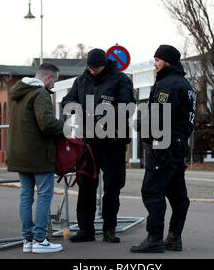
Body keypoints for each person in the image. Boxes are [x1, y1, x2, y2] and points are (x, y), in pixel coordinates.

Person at [61, 48, 135, 243]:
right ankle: (86, 230)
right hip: (88, 143)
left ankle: (110, 229)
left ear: (105, 64)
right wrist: (77, 108)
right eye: (91, 68)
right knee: (86, 187)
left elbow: (129, 106)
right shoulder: (81, 80)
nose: (93, 71)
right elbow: (67, 100)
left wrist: (106, 114)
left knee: (112, 187)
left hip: (113, 142)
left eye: (97, 68)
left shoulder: (121, 79)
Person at [131, 45, 196, 253]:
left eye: (157, 59)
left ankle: (154, 239)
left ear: (166, 61)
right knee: (178, 195)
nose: (154, 63)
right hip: (179, 145)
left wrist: (140, 126)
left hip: (163, 146)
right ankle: (174, 237)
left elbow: (159, 118)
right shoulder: (185, 84)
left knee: (152, 191)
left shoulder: (168, 85)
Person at [7, 63, 64, 254]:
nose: (54, 85)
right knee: (44, 195)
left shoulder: (17, 93)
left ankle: (27, 239)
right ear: (47, 78)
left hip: (20, 153)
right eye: (54, 80)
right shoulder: (40, 94)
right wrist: (63, 126)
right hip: (39, 154)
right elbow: (46, 123)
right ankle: (40, 239)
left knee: (25, 196)